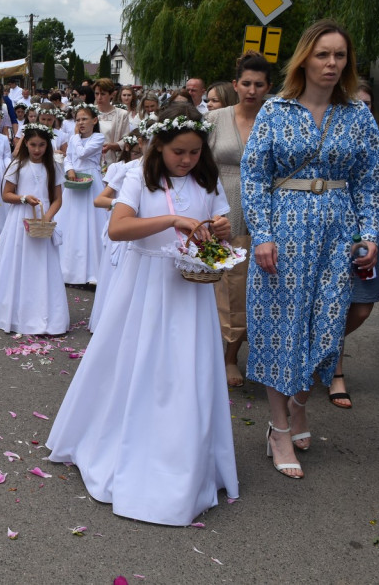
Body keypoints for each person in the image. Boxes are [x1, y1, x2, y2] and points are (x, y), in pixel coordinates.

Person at [45, 103, 238, 525]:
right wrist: (172, 219)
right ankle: (124, 441)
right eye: (177, 152)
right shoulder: (138, 176)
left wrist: (219, 227)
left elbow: (216, 219)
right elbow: (118, 228)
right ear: (158, 147)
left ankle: (184, 453)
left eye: (193, 152)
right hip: (147, 285)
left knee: (186, 370)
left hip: (191, 288)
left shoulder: (206, 179)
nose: (186, 160)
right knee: (139, 363)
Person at [241, 19, 379, 479]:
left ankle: (300, 402)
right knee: (282, 327)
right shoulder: (276, 110)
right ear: (305, 58)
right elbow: (254, 176)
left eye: (340, 55)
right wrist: (261, 233)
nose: (331, 63)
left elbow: (370, 182)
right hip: (284, 230)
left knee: (326, 326)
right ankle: (279, 428)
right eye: (323, 54)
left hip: (337, 232)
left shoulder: (357, 115)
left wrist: (370, 234)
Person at [331, 82, 379, 407]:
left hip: (367, 234)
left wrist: (359, 191)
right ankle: (336, 372)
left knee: (360, 308)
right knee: (334, 301)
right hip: (333, 233)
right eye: (354, 104)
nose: (362, 111)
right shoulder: (328, 141)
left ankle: (321, 346)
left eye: (367, 105)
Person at [206, 51, 271, 388]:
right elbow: (196, 161)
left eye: (259, 84)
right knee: (211, 279)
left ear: (268, 87)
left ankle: (231, 356)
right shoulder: (216, 120)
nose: (252, 90)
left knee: (243, 286)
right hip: (218, 207)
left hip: (260, 211)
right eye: (246, 83)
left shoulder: (274, 119)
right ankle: (203, 351)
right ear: (236, 84)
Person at [0, 123, 68, 335]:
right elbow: (6, 195)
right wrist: (23, 198)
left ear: (48, 145)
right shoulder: (18, 165)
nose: (37, 149)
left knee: (41, 264)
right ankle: (10, 309)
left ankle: (42, 311)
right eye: (33, 144)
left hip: (41, 220)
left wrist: (47, 217)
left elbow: (57, 199)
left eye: (42, 145)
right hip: (20, 218)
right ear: (25, 143)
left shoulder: (54, 166)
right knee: (15, 261)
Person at [89, 132, 145, 332]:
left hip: (145, 232)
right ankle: (110, 325)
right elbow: (99, 200)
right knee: (118, 276)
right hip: (124, 229)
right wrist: (123, 205)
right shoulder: (128, 169)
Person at [57, 103, 107, 284]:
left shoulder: (98, 137)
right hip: (74, 180)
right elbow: (69, 156)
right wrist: (69, 169)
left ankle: (93, 269)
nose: (80, 123)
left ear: (94, 120)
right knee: (72, 219)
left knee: (91, 220)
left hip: (91, 180)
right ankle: (68, 267)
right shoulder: (73, 139)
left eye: (84, 119)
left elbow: (83, 153)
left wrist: (76, 137)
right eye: (77, 120)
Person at [93, 78, 130, 165]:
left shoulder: (122, 114)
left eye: (103, 94)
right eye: (97, 94)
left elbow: (126, 139)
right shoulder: (90, 112)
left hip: (112, 160)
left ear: (112, 95)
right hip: (92, 160)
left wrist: (112, 146)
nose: (99, 97)